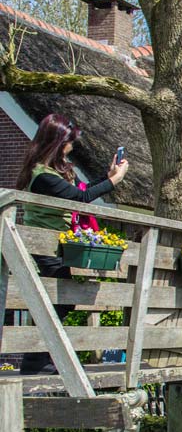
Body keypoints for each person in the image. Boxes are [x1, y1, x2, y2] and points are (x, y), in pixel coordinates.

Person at [16, 113, 128, 374]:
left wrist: (106, 176)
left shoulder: (49, 172)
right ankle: (36, 361)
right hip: (43, 243)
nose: (72, 148)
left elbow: (80, 190)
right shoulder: (42, 176)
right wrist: (115, 180)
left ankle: (40, 360)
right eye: (69, 142)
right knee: (59, 299)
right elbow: (81, 197)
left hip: (54, 242)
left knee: (60, 300)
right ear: (57, 142)